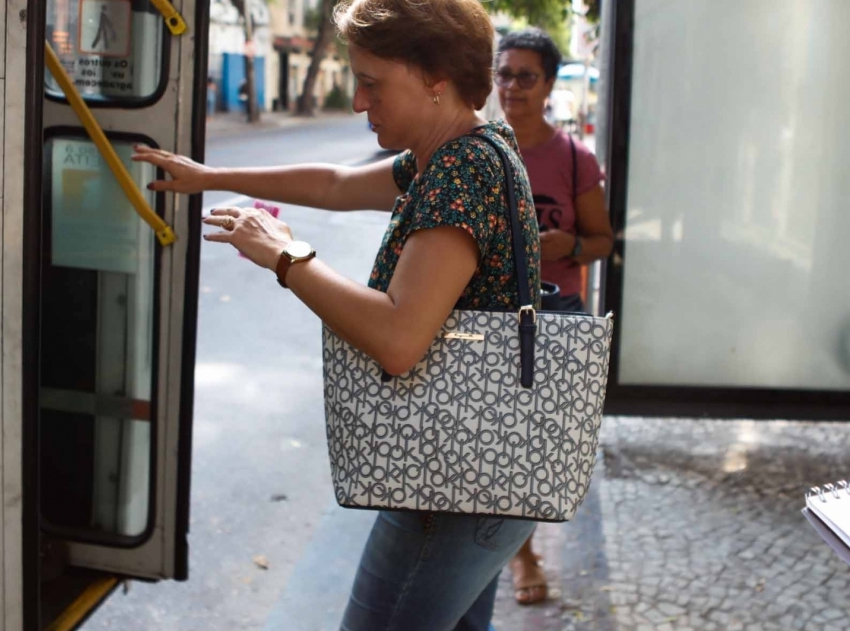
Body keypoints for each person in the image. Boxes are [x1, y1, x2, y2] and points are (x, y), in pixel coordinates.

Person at [135, 1, 541, 628]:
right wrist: (210, 175)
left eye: (372, 83)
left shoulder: (462, 169)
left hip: (448, 486)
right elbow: (335, 184)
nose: (357, 102)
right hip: (479, 472)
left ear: (435, 78)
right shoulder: (467, 148)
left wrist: (286, 256)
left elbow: (400, 338)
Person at [493, 28, 614, 605]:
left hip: (556, 318)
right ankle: (519, 555)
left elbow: (603, 241)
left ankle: (519, 545)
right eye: (504, 74)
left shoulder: (573, 158)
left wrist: (571, 245)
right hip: (489, 314)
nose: (512, 86)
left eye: (526, 76)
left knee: (536, 443)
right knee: (497, 439)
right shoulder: (479, 150)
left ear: (547, 85)